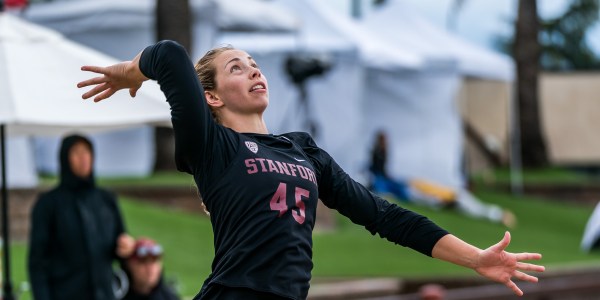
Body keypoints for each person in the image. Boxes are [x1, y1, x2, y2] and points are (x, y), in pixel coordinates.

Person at [78, 40, 544, 300]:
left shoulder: (303, 151)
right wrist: (129, 73)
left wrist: (476, 258)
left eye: (256, 64)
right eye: (237, 68)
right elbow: (171, 57)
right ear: (213, 97)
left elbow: (387, 218)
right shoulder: (211, 144)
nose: (255, 71)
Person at [28, 134, 135, 300]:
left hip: (103, 294)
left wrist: (125, 247)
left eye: (87, 152)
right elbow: (38, 262)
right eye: (76, 153)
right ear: (65, 158)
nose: (83, 158)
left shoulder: (106, 199)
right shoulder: (48, 204)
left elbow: (119, 243)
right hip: (65, 293)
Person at [369, 130, 517, 228]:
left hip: (450, 195)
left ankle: (499, 215)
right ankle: (499, 215)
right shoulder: (379, 156)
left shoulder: (435, 187)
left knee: (471, 206)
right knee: (469, 205)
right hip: (446, 196)